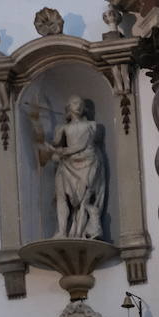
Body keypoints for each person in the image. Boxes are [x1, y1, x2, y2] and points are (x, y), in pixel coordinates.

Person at [51, 94, 106, 239]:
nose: (79, 105)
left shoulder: (91, 126)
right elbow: (55, 143)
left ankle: (82, 232)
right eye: (75, 102)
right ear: (68, 107)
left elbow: (84, 145)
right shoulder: (63, 128)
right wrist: (54, 131)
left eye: (81, 103)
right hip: (68, 165)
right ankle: (63, 231)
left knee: (85, 200)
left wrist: (63, 151)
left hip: (88, 163)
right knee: (61, 195)